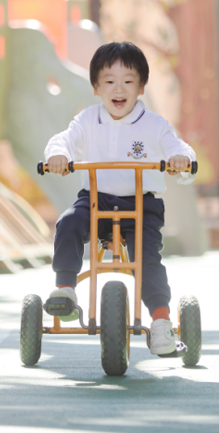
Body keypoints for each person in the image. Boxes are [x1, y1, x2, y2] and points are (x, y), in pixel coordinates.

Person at [43, 41, 196, 355]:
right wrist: (58, 155)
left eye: (128, 81)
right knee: (69, 222)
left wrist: (181, 160)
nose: (119, 89)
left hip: (142, 204)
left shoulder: (154, 125)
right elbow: (64, 141)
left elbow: (177, 148)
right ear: (96, 87)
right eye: (109, 81)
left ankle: (161, 322)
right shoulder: (87, 120)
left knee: (147, 259)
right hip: (95, 199)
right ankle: (66, 290)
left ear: (141, 87)